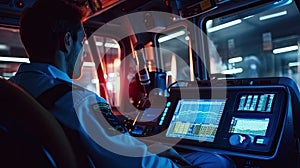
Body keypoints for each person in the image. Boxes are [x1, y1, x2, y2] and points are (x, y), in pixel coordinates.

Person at [9, 0, 235, 167]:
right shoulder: (78, 102)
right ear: (67, 42)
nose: (84, 52)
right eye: (82, 42)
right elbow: (136, 163)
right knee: (216, 161)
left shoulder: (14, 91)